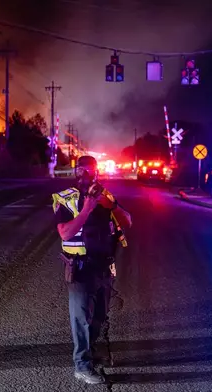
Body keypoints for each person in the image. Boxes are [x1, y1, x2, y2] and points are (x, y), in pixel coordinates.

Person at [53, 155, 132, 384]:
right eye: (81, 170)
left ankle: (93, 350)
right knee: (81, 319)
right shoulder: (65, 198)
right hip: (80, 268)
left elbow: (127, 221)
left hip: (104, 267)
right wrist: (86, 209)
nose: (86, 175)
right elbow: (65, 233)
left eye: (90, 170)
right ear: (76, 172)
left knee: (99, 316)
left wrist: (113, 206)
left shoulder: (106, 196)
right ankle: (82, 365)